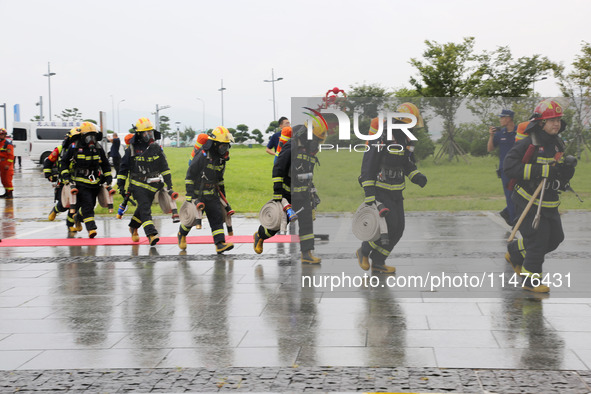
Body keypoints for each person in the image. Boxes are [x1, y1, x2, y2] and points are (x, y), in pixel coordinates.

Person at [503, 99, 575, 293]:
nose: (556, 124)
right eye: (551, 120)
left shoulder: (557, 143)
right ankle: (530, 281)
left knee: (556, 238)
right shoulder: (530, 143)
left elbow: (555, 173)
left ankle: (516, 252)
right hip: (528, 200)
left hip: (549, 201)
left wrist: (566, 171)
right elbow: (509, 167)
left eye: (558, 120)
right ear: (541, 123)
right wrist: (541, 171)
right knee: (538, 240)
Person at [356, 103, 428, 274]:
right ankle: (364, 251)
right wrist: (369, 194)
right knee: (387, 226)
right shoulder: (381, 137)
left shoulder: (404, 139)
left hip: (396, 192)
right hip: (380, 190)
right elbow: (368, 165)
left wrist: (416, 176)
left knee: (399, 229)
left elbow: (407, 163)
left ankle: (379, 262)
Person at [253, 122, 325, 264]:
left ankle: (306, 254)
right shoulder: (292, 145)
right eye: (315, 139)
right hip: (287, 195)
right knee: (276, 224)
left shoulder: (310, 149)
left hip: (303, 195)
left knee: (306, 223)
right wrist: (277, 192)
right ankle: (260, 235)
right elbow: (278, 167)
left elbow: (307, 171)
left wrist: (312, 190)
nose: (316, 143)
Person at [117, 117, 174, 246]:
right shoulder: (132, 149)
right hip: (137, 185)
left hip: (153, 185)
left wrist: (169, 183)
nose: (148, 135)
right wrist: (121, 185)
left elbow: (164, 166)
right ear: (139, 134)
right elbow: (123, 168)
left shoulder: (156, 148)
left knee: (143, 208)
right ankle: (151, 234)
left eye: (150, 132)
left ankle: (133, 226)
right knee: (145, 209)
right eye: (145, 133)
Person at [177, 126, 234, 254]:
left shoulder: (221, 159)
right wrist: (190, 195)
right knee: (191, 219)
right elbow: (190, 175)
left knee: (216, 218)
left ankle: (219, 244)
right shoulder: (203, 155)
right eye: (222, 146)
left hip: (212, 194)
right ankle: (182, 233)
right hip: (198, 194)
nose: (225, 149)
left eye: (226, 146)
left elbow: (220, 179)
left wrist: (223, 197)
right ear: (215, 144)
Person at [60, 122, 112, 238]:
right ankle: (91, 229)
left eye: (93, 136)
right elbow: (63, 162)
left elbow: (105, 164)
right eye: (89, 136)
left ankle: (77, 218)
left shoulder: (98, 148)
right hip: (80, 182)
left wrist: (108, 177)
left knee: (91, 204)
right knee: (88, 204)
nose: (91, 139)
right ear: (83, 137)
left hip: (94, 182)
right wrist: (66, 177)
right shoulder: (74, 147)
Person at [44, 127, 83, 230]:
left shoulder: (81, 149)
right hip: (63, 181)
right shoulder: (60, 149)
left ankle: (70, 225)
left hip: (78, 181)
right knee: (64, 204)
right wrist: (49, 175)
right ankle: (56, 210)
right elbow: (48, 162)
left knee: (75, 204)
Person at [487, 109, 517, 226]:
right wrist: (491, 136)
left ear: (508, 118)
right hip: (505, 170)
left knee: (521, 195)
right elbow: (490, 149)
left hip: (519, 168)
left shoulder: (519, 131)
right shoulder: (500, 134)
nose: (500, 120)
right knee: (510, 196)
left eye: (502, 117)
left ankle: (507, 213)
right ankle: (514, 221)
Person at [0, 128, 15, 199]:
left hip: (7, 164)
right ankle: (6, 192)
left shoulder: (8, 144)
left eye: (2, 134)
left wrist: (8, 165)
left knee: (8, 180)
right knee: (3, 179)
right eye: (0, 135)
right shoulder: (0, 143)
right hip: (1, 163)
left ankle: (10, 194)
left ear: (5, 135)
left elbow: (11, 156)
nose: (1, 136)